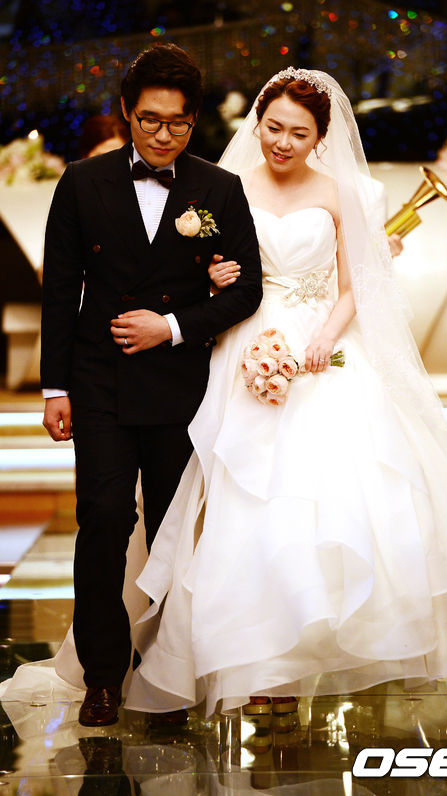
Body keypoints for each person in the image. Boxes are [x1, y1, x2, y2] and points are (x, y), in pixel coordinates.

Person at [124, 68, 447, 717]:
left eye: (298, 133)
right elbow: (196, 269)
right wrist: (216, 274)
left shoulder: (342, 192)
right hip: (245, 340)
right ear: (258, 123)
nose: (282, 142)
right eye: (273, 128)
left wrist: (324, 337)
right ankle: (262, 665)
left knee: (335, 496)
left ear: (320, 137)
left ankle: (314, 651)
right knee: (246, 494)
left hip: (324, 346)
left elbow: (354, 284)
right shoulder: (225, 186)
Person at [38, 42, 262, 727]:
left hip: (180, 383)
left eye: (179, 123)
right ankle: (104, 677)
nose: (164, 135)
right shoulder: (82, 182)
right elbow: (61, 291)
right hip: (98, 379)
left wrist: (171, 325)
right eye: (150, 121)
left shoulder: (219, 189)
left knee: (173, 532)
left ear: (195, 119)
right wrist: (53, 388)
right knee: (104, 521)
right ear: (126, 114)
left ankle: (167, 677)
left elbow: (247, 289)